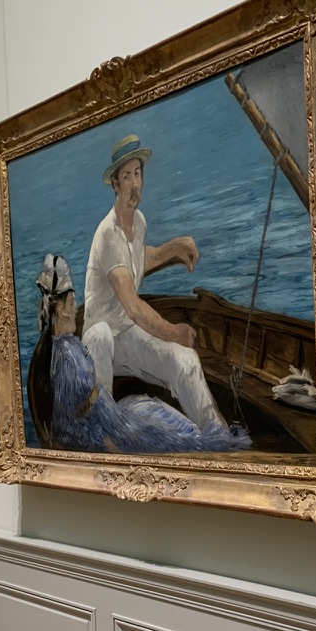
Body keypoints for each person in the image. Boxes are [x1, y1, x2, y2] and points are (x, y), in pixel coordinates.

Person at [29, 254, 250, 454]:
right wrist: (113, 441)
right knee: (166, 428)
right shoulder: (69, 358)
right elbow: (78, 419)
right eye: (71, 303)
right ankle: (212, 444)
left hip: (107, 420)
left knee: (151, 409)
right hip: (103, 431)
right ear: (60, 310)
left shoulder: (67, 348)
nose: (76, 308)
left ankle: (208, 437)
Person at [82, 134, 225, 430]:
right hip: (101, 342)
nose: (134, 184)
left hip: (127, 334)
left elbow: (137, 259)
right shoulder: (107, 233)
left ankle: (219, 436)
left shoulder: (140, 221)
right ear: (115, 185)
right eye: (126, 177)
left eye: (138, 174)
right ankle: (104, 429)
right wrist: (173, 332)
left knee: (185, 359)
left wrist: (172, 248)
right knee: (102, 334)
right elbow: (134, 307)